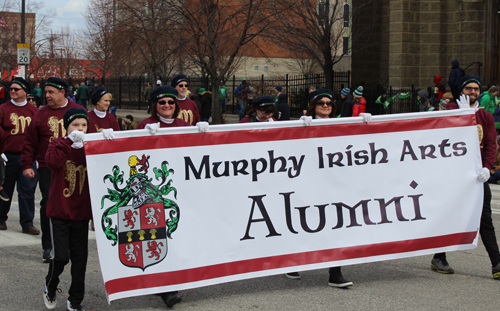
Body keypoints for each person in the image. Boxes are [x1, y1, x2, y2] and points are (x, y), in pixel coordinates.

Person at [431, 75, 500, 280]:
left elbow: (489, 145)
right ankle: (439, 257)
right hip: (452, 177)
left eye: (476, 89)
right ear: (462, 91)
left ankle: (497, 264)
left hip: (476, 177)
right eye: (468, 89)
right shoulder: (451, 111)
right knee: (449, 216)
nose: (472, 92)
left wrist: (487, 167)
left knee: (484, 219)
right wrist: (461, 115)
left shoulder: (485, 117)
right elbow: (439, 139)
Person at [135, 85, 189, 308]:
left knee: (178, 232)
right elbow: (132, 156)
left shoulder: (183, 125)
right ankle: (167, 288)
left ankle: (172, 280)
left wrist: (204, 133)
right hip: (154, 190)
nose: (167, 106)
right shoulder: (145, 126)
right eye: (162, 102)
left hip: (179, 188)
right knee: (159, 234)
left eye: (171, 102)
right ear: (154, 105)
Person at [21, 77, 81, 263]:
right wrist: (26, 165)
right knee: (49, 205)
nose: (46, 96)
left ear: (62, 92)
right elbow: (30, 142)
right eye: (45, 92)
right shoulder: (40, 114)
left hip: (74, 166)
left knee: (73, 205)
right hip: (48, 167)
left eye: (51, 92)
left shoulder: (77, 111)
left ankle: (69, 245)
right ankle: (49, 247)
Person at [43, 107, 92, 311]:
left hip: (81, 214)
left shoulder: (92, 147)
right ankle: (51, 284)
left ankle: (75, 300)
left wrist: (110, 142)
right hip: (60, 212)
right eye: (75, 125)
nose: (80, 129)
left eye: (83, 125)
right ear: (67, 127)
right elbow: (51, 162)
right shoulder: (58, 144)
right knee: (62, 257)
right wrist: (68, 141)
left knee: (80, 261)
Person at [0, 77, 39, 234]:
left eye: (16, 89)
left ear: (25, 91)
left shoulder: (34, 112)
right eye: (11, 89)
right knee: (5, 189)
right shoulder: (3, 109)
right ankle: (1, 218)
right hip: (7, 156)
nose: (13, 91)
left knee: (27, 191)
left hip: (27, 157)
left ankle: (27, 223)